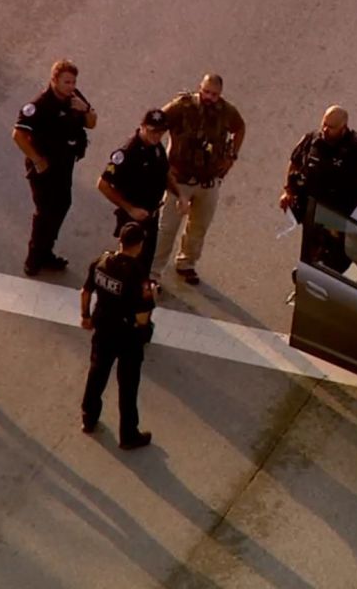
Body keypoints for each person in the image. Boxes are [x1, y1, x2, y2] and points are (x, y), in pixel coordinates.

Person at [279, 105, 357, 272]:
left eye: (330, 127)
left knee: (339, 263)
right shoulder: (312, 139)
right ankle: (309, 279)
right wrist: (289, 191)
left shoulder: (355, 146)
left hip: (342, 219)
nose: (324, 129)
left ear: (343, 127)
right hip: (315, 216)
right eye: (323, 124)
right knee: (311, 258)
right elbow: (294, 161)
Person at [151, 73, 246, 285]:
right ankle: (154, 272)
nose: (209, 97)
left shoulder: (226, 111)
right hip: (179, 180)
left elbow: (240, 128)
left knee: (199, 226)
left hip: (208, 180)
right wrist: (156, 156)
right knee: (167, 228)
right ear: (199, 88)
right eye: (206, 92)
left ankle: (187, 264)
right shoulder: (182, 106)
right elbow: (156, 123)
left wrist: (232, 156)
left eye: (214, 94)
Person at [12, 58, 98, 276]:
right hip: (44, 168)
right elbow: (18, 135)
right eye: (67, 82)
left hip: (64, 164)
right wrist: (38, 160)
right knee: (45, 212)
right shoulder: (39, 105)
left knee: (62, 206)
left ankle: (46, 252)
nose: (71, 86)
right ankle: (34, 258)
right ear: (54, 80)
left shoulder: (75, 98)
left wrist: (85, 109)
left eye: (73, 82)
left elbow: (91, 123)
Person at [79, 222, 157, 450]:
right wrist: (152, 298)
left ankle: (89, 418)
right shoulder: (137, 274)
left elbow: (85, 292)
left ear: (120, 241)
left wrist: (85, 316)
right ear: (140, 245)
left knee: (97, 373)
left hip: (103, 325)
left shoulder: (101, 263)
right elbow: (142, 315)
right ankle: (128, 434)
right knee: (128, 384)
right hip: (127, 335)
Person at [97, 109, 183, 275]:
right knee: (128, 266)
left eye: (161, 131)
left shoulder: (156, 148)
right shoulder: (128, 153)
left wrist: (180, 195)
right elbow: (103, 184)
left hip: (151, 215)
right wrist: (130, 209)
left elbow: (165, 173)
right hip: (132, 218)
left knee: (145, 262)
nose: (157, 135)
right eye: (152, 131)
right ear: (142, 127)